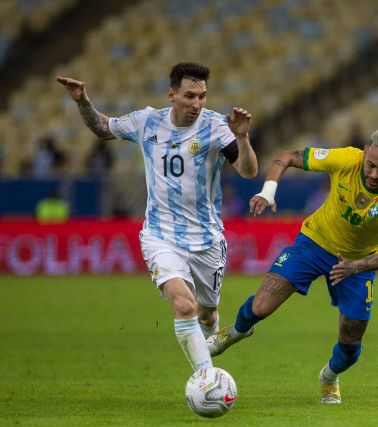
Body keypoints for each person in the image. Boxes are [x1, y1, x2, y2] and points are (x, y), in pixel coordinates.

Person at [56, 62, 258, 374]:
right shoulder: (146, 121)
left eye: (202, 96)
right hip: (160, 236)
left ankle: (209, 343)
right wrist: (82, 100)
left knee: (205, 315)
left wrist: (243, 139)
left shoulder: (217, 126)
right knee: (183, 305)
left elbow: (248, 172)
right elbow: (102, 127)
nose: (197, 104)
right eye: (190, 96)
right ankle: (206, 379)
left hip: (207, 239)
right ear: (172, 95)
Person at [207, 129, 378, 404]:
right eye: (371, 165)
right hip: (314, 242)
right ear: (364, 153)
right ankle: (236, 331)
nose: (375, 174)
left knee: (351, 342)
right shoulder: (345, 159)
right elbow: (285, 157)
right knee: (261, 306)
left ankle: (329, 377)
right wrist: (268, 192)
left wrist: (354, 267)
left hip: (356, 262)